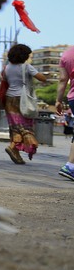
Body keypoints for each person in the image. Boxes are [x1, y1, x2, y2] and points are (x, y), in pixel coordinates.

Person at [0, 44, 49, 164]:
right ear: (23, 56)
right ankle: (12, 147)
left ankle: (15, 153)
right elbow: (42, 78)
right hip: (23, 100)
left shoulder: (6, 68)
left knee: (15, 127)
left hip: (9, 99)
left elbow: (4, 84)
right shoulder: (26, 67)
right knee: (25, 127)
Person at [56, 45, 74, 181]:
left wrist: (58, 100)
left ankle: (70, 165)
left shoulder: (66, 54)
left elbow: (63, 79)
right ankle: (70, 166)